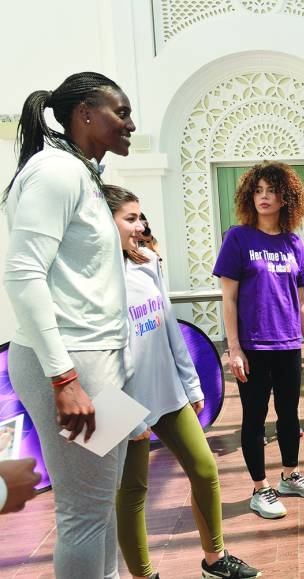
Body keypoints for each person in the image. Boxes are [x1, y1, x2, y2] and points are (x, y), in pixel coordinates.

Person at [3, 72, 136, 578]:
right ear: (85, 114)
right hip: (71, 364)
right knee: (83, 513)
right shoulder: (55, 171)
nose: (130, 124)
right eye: (120, 113)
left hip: (96, 361)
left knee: (100, 505)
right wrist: (63, 377)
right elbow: (22, 272)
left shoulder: (79, 173)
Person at [105, 186, 259, 579]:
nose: (140, 225)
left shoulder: (148, 262)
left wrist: (190, 384)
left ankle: (215, 561)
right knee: (131, 493)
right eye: (130, 218)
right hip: (116, 401)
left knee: (205, 470)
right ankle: (144, 575)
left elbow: (169, 325)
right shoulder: (89, 278)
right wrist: (122, 416)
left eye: (141, 217)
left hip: (165, 389)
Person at [213, 161, 304, 520]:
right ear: (250, 195)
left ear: (285, 197)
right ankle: (260, 489)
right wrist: (234, 348)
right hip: (254, 346)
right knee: (255, 418)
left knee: (290, 414)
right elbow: (228, 299)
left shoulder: (293, 242)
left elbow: (303, 300)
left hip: (289, 342)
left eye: (272, 190)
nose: (264, 197)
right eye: (258, 190)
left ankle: (290, 474)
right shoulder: (238, 238)